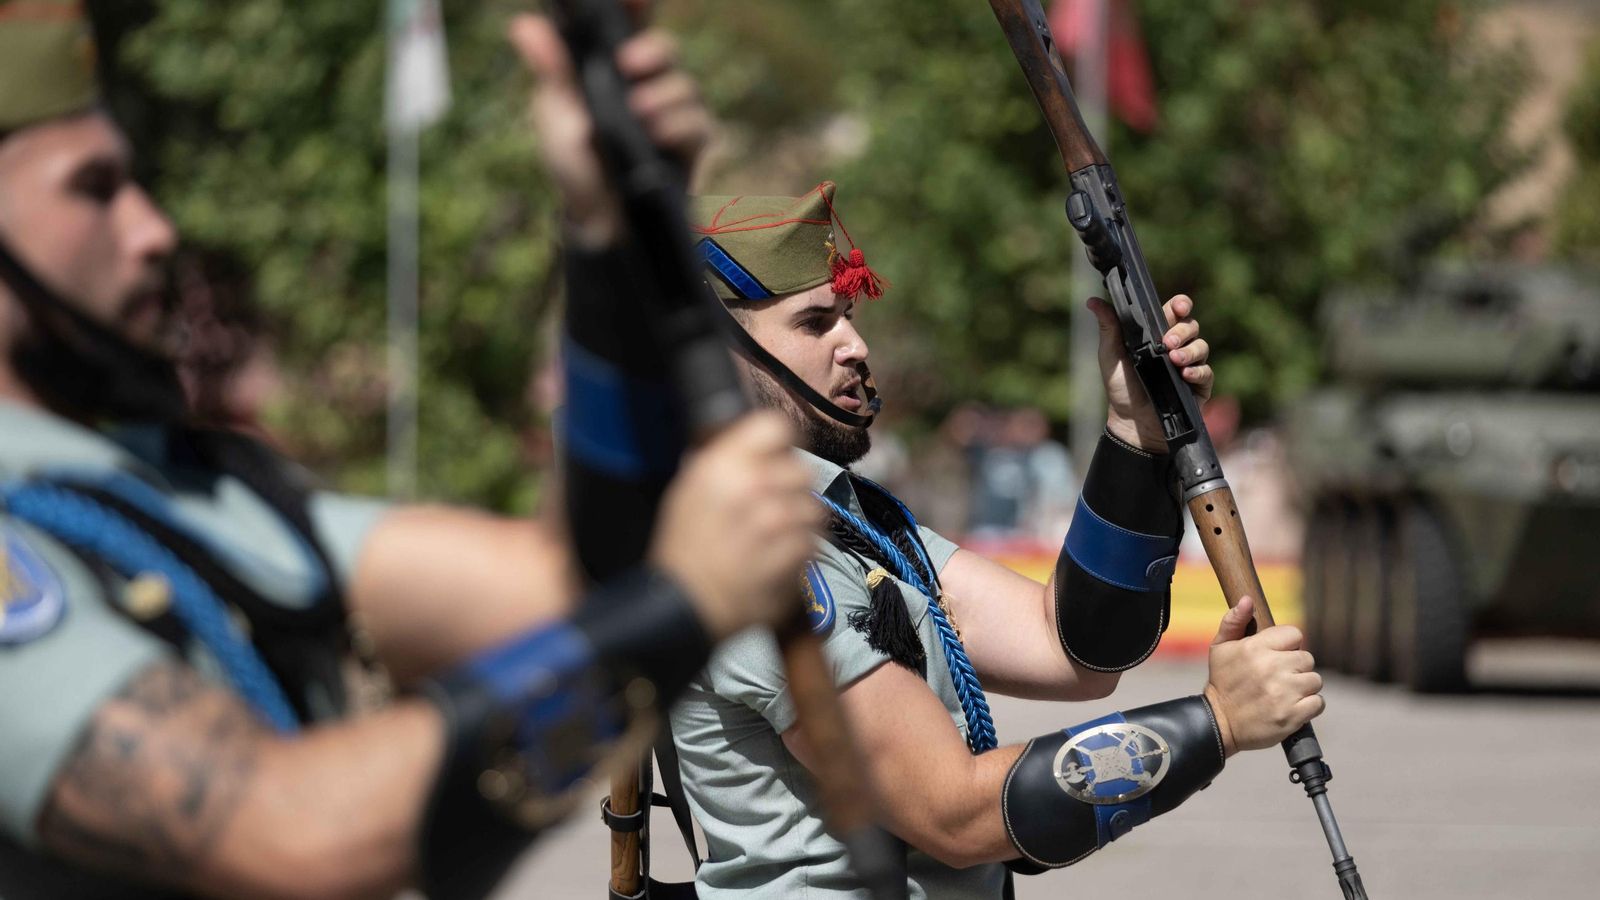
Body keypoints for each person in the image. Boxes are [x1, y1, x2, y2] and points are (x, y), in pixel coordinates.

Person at [0, 3, 818, 898]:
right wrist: (677, 608)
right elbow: (286, 834)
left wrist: (612, 234)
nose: (153, 227)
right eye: (94, 188)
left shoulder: (185, 484)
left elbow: (570, 591)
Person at [664, 187, 1326, 897]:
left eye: (848, 316)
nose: (855, 345)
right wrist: (1217, 722)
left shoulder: (852, 521)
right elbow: (955, 815)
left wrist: (1137, 435)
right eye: (816, 322)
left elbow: (1075, 649)